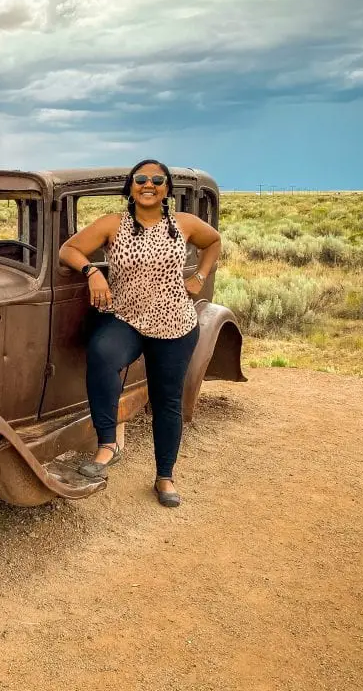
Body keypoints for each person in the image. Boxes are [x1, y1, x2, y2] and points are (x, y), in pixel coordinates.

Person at [58, 160, 221, 507]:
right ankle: (108, 445)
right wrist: (92, 272)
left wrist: (200, 277)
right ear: (131, 186)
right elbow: (68, 249)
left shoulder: (185, 224)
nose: (149, 185)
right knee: (102, 354)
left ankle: (165, 477)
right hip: (127, 318)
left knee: (167, 401)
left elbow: (215, 242)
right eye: (141, 179)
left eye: (157, 180)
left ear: (167, 188)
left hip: (174, 323)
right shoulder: (113, 224)